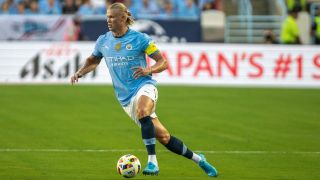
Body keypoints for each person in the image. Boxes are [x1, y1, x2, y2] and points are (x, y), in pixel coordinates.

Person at [70, 2, 218, 177]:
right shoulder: (103, 40)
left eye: (112, 17)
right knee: (164, 137)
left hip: (144, 86)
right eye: (107, 17)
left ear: (123, 18)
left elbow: (163, 62)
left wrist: (149, 70)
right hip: (125, 99)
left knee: (143, 111)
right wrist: (80, 72)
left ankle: (152, 162)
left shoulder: (140, 39)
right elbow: (93, 61)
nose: (108, 20)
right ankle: (199, 160)